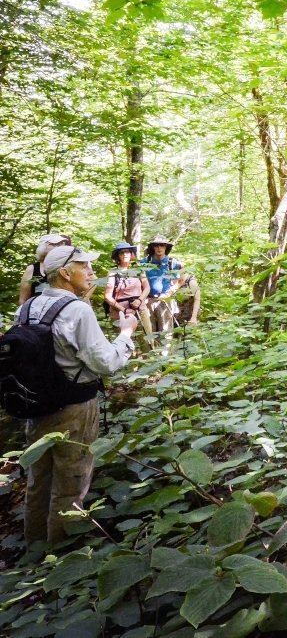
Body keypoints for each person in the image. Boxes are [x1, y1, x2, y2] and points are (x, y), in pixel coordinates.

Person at [23, 245, 135, 548]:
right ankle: (62, 555)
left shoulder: (30, 306)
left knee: (39, 479)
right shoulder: (77, 310)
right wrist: (125, 334)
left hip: (35, 405)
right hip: (74, 407)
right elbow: (106, 363)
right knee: (71, 480)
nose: (91, 272)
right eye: (84, 266)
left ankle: (34, 547)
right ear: (64, 273)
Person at [103, 242, 150, 336]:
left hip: (140, 310)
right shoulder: (113, 273)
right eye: (122, 252)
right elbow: (107, 296)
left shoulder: (139, 270)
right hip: (120, 313)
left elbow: (147, 288)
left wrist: (139, 300)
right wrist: (124, 310)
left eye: (127, 252)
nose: (125, 254)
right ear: (117, 256)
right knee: (124, 341)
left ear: (131, 254)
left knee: (147, 337)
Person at [18, 234, 71, 305]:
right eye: (55, 244)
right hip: (36, 313)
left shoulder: (66, 267)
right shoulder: (32, 269)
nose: (59, 247)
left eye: (61, 244)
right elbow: (23, 300)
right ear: (43, 247)